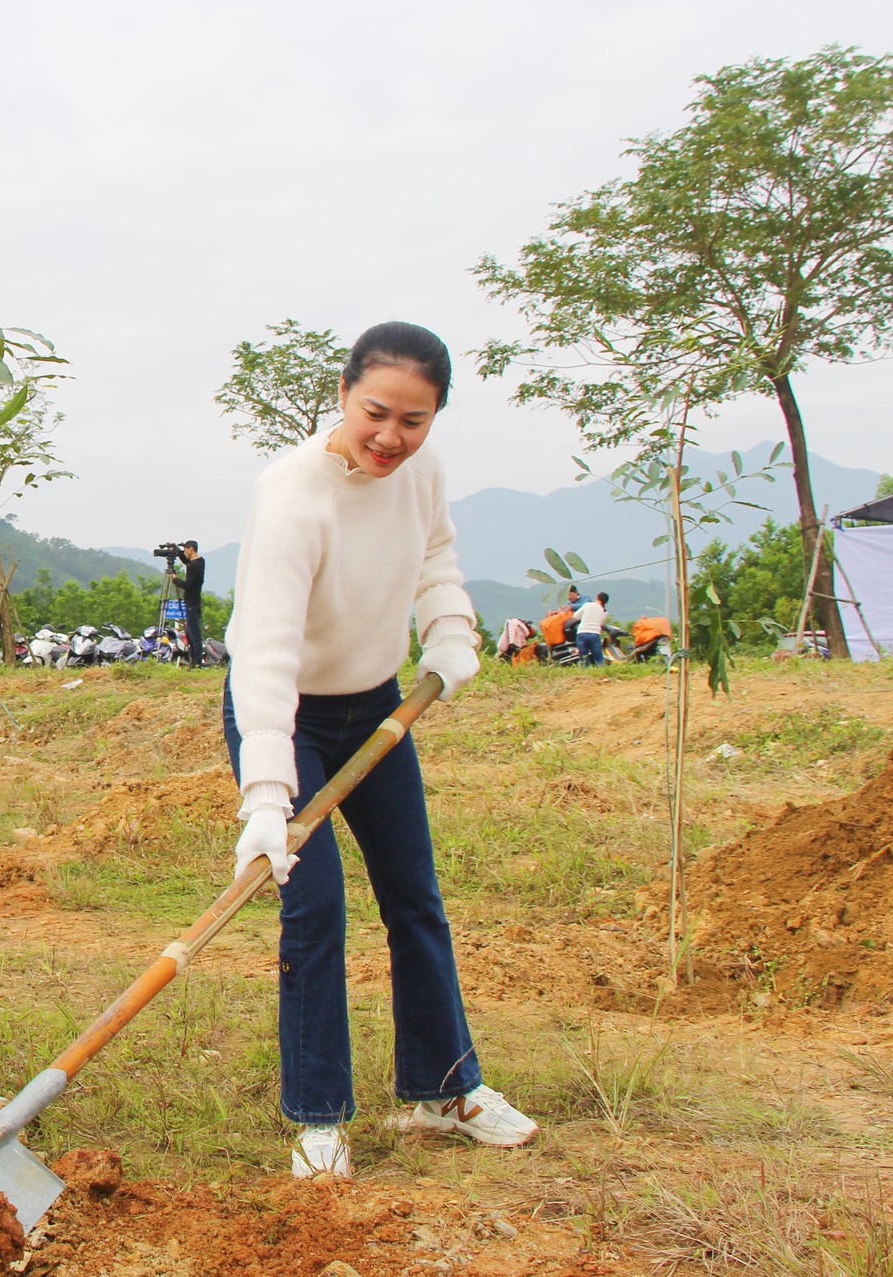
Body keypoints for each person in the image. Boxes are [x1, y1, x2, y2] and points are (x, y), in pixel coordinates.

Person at [223, 321, 538, 1180]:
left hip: (376, 709)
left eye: (415, 420)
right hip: (285, 712)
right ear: (343, 392)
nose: (392, 438)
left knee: (414, 896)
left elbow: (435, 550)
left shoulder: (422, 473)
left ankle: (445, 1091)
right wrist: (264, 796)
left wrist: (447, 626)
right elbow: (267, 652)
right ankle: (319, 1115)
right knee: (315, 906)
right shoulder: (291, 493)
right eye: (376, 414)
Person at [179, 541, 207, 668]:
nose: (185, 553)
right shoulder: (199, 562)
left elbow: (188, 585)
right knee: (190, 633)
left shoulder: (195, 566)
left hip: (192, 604)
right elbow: (187, 562)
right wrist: (178, 552)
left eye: (185, 550)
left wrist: (175, 579)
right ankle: (194, 660)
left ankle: (197, 662)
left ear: (191, 549)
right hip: (193, 603)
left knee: (194, 634)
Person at [575, 592, 609, 666]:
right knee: (598, 657)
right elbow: (601, 624)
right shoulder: (604, 611)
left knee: (584, 657)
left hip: (582, 633)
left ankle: (585, 674)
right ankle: (601, 672)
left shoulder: (588, 605)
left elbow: (576, 616)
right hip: (595, 634)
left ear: (597, 597)